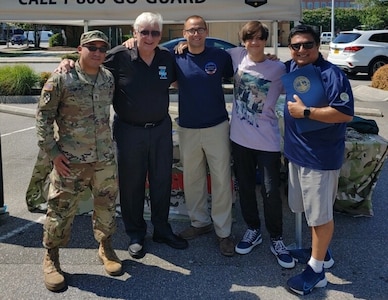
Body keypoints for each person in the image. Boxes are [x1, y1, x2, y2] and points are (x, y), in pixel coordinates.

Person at [56, 13, 189, 259]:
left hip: (160, 129)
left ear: (160, 35)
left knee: (161, 181)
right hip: (129, 131)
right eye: (145, 32)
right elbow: (89, 63)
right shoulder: (118, 56)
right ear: (134, 33)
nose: (149, 37)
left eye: (155, 32)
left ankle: (162, 229)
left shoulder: (167, 58)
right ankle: (136, 233)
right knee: (131, 185)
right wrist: (68, 61)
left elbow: (187, 68)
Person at [37, 30, 122, 292]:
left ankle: (105, 247)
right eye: (91, 47)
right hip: (70, 161)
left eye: (102, 48)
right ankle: (51, 257)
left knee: (106, 206)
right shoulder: (62, 77)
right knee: (60, 211)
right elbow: (43, 117)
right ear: (79, 49)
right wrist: (53, 153)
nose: (97, 52)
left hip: (103, 159)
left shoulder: (108, 78)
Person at [283, 25, 354, 295]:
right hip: (297, 155)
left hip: (319, 158)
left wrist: (307, 112)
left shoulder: (332, 74)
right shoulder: (292, 67)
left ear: (318, 46)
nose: (302, 50)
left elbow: (344, 113)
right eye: (296, 46)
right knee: (310, 212)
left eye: (307, 45)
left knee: (321, 216)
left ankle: (317, 271)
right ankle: (321, 254)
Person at [227, 21, 295, 268]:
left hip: (267, 141)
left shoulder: (279, 67)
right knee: (244, 187)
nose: (253, 42)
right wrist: (182, 44)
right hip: (239, 139)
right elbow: (202, 51)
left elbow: (301, 85)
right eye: (249, 38)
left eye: (258, 38)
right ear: (243, 40)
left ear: (265, 40)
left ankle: (276, 237)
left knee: (269, 191)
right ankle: (253, 229)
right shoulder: (236, 56)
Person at [173, 15, 235, 257]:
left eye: (200, 29)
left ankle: (224, 232)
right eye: (191, 30)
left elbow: (243, 66)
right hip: (187, 127)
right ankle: (199, 223)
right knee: (192, 178)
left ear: (206, 31)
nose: (196, 33)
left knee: (221, 179)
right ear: (184, 33)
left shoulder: (220, 56)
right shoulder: (175, 56)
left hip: (216, 126)